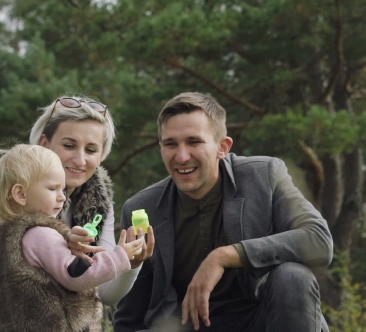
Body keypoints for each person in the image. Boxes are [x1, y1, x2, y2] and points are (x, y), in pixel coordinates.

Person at [0, 96, 155, 331]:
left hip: (47, 314)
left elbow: (103, 291)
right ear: (44, 144)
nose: (80, 159)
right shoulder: (11, 193)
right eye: (69, 145)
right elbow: (50, 268)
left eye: (91, 149)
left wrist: (132, 263)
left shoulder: (98, 200)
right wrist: (69, 245)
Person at [113, 92, 334, 332]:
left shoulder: (265, 176)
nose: (182, 156)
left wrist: (224, 256)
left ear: (223, 147)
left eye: (194, 142)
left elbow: (319, 240)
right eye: (171, 144)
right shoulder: (140, 208)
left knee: (292, 277)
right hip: (185, 326)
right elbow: (131, 314)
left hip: (260, 319)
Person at [0, 144, 144, 331]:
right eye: (53, 189)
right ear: (20, 194)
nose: (62, 198)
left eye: (62, 189)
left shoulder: (2, 237)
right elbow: (75, 276)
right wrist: (120, 256)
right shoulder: (40, 234)